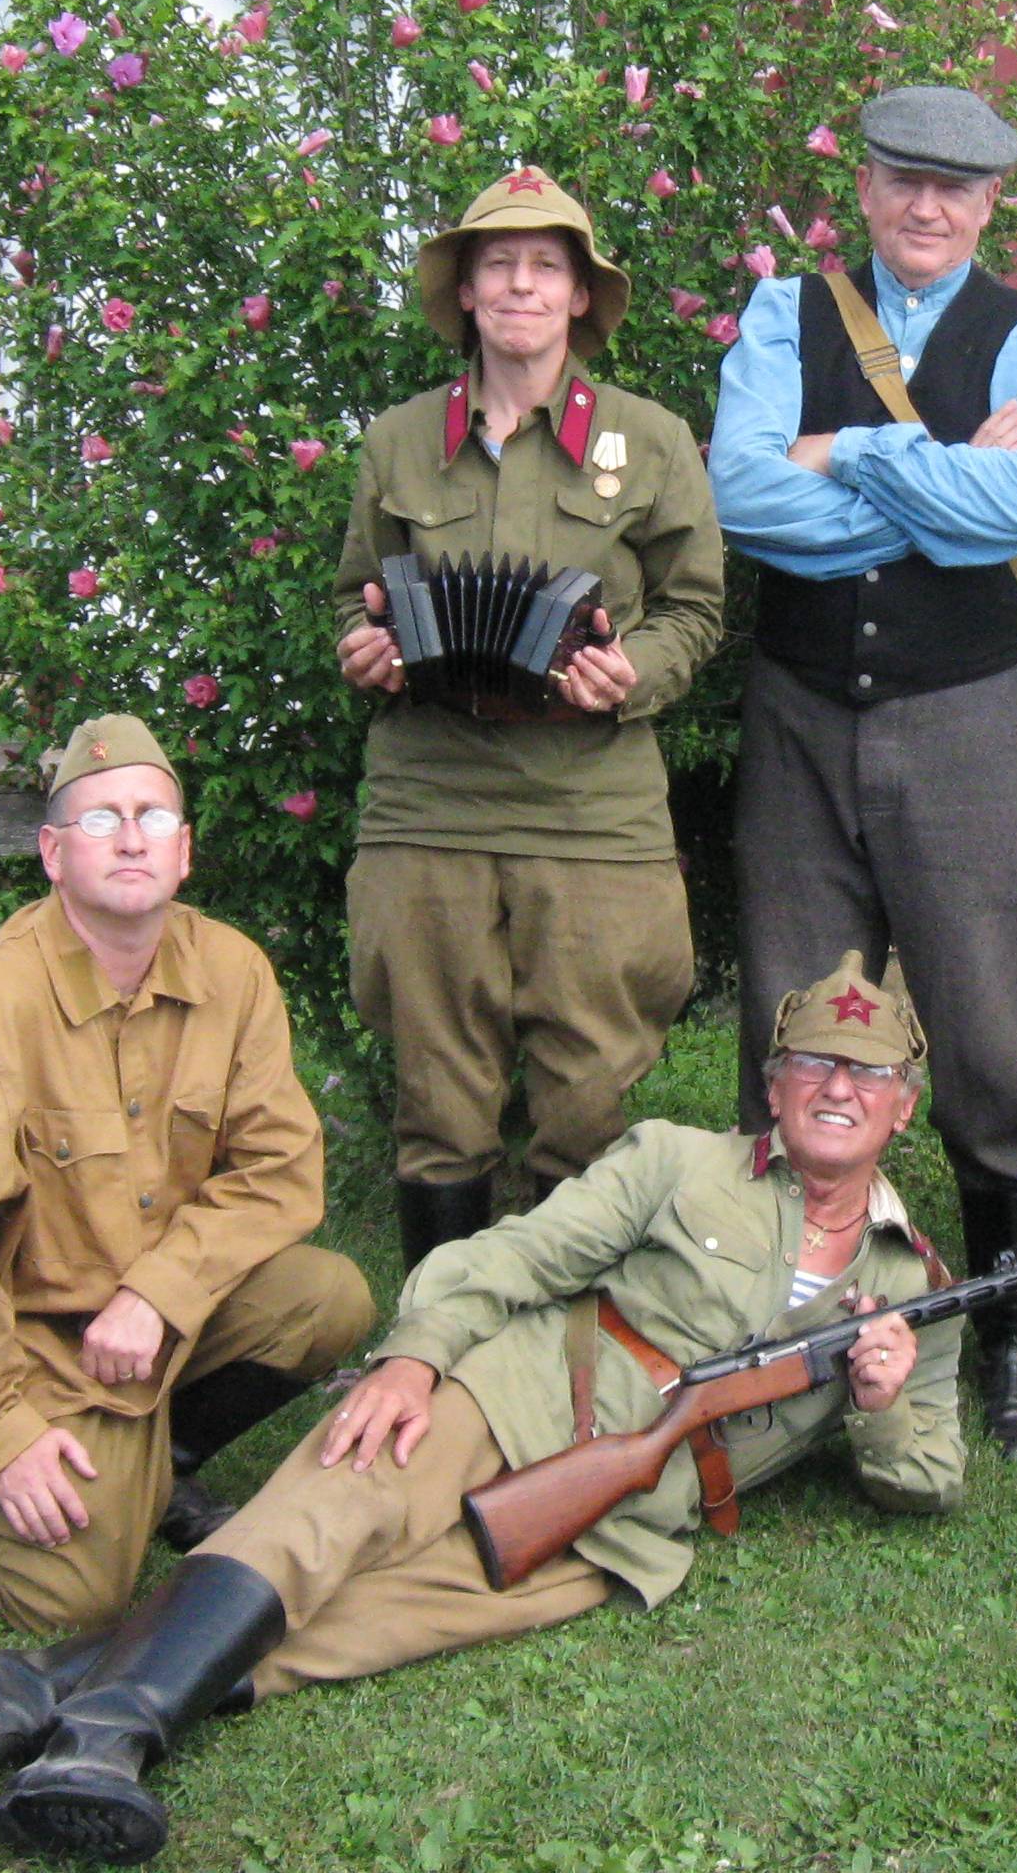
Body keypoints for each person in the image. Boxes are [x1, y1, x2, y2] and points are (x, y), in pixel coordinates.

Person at [0, 954, 965, 1862]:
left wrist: (875, 1402)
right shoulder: (679, 1163)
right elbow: (515, 1254)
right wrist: (417, 1357)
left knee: (358, 1627)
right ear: (773, 1088)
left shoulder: (914, 1287)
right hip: (506, 1396)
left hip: (616, 1525)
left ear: (903, 1108)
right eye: (814, 1063)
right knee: (314, 1528)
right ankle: (103, 1746)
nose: (839, 1088)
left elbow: (929, 1474)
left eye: (867, 1076)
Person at [709, 83, 1017, 1456]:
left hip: (966, 715)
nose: (928, 208)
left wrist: (854, 448)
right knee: (792, 1019)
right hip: (802, 711)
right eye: (903, 182)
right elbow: (744, 501)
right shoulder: (780, 316)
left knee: (994, 1031)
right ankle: (777, 1317)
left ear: (990, 207)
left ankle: (1012, 1340)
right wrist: (937, 486)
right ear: (861, 189)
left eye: (958, 190)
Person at [0, 716, 377, 1638]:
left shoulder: (234, 973)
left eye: (153, 818)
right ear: (52, 853)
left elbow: (281, 1166)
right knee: (72, 1604)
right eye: (99, 821)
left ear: (183, 851)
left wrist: (161, 1294)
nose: (131, 838)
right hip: (26, 1336)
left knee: (327, 1300)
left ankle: (149, 1461)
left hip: (145, 1322)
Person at [336, 166, 725, 1272]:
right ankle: (438, 1328)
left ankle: (568, 1334)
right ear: (462, 292)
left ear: (579, 295)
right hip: (430, 803)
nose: (519, 285)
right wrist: (361, 648)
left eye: (544, 266)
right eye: (495, 265)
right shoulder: (400, 442)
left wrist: (631, 672)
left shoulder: (649, 442)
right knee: (436, 1082)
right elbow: (353, 596)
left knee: (589, 1086)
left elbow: (696, 609)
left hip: (592, 808)